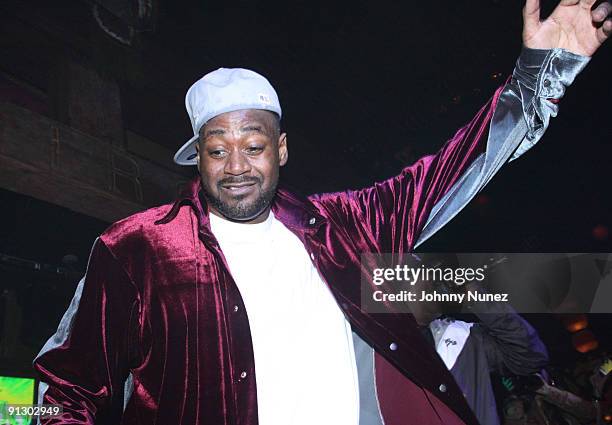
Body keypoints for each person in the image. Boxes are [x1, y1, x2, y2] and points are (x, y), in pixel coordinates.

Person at [33, 1, 611, 424]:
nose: (236, 165)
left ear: (280, 149)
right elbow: (64, 387)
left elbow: (454, 167)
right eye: (217, 150)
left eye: (253, 146)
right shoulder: (136, 250)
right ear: (198, 158)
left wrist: (539, 75)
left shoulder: (343, 227)